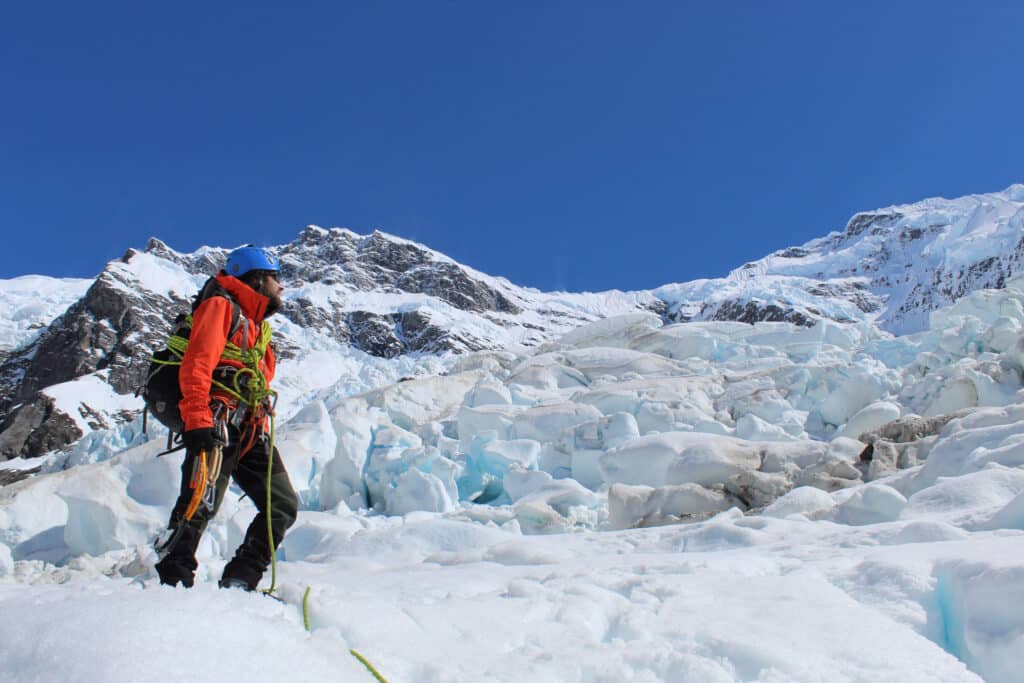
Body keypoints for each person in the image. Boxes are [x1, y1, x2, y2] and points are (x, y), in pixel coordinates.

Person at [155, 245, 298, 591]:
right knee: (199, 503)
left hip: (250, 428)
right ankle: (172, 582)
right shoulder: (221, 307)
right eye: (276, 279)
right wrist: (196, 419)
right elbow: (198, 363)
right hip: (217, 423)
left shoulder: (257, 328)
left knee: (281, 503)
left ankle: (241, 579)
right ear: (258, 278)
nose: (281, 287)